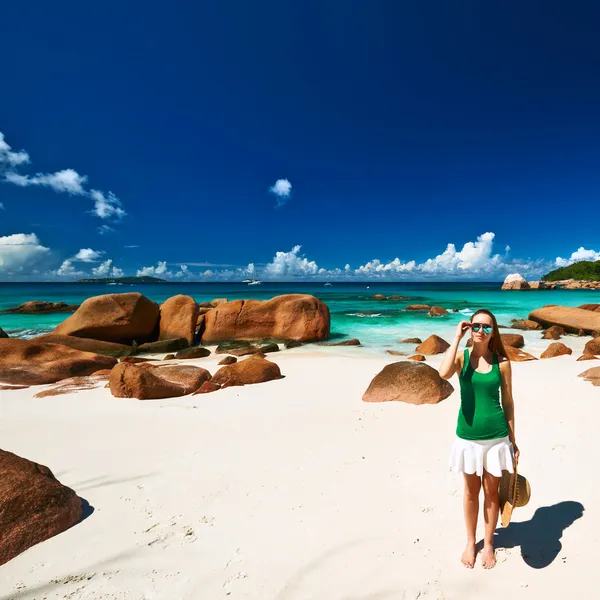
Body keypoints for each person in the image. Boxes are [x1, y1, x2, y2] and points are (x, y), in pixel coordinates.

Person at [439, 309, 520, 570]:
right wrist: (456, 338)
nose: (481, 331)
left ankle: (487, 544)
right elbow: (442, 373)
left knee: (492, 493)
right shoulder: (462, 358)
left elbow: (508, 402)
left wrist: (513, 440)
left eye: (487, 327)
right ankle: (470, 541)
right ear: (469, 328)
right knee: (471, 492)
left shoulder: (502, 362)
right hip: (468, 438)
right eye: (476, 326)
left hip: (497, 438)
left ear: (493, 332)